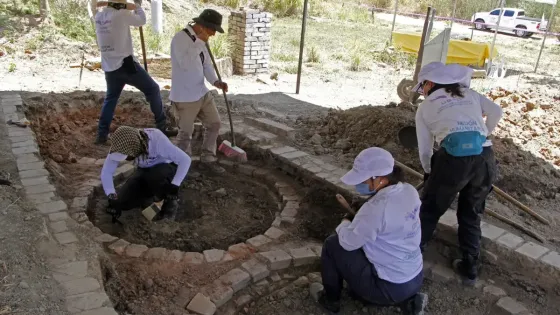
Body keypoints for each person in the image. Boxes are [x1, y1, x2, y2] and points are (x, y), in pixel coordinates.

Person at [414, 62, 502, 285]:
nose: (422, 91)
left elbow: (425, 149)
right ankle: (470, 266)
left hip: (453, 160)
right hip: (485, 157)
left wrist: (428, 172)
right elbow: (496, 111)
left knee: (430, 210)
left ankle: (413, 255)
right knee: (471, 213)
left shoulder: (425, 108)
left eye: (422, 86)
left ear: (430, 83)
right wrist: (483, 134)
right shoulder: (469, 94)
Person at [311, 147, 427, 315]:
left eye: (363, 180)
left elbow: (348, 242)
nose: (359, 184)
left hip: (387, 289)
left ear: (379, 179)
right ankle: (409, 303)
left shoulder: (376, 208)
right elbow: (385, 220)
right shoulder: (409, 190)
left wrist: (345, 221)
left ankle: (331, 301)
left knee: (333, 244)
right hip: (414, 278)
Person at [94, 0, 176, 144]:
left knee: (111, 99)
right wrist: (137, 5)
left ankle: (102, 134)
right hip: (126, 65)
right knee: (153, 89)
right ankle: (162, 127)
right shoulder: (121, 14)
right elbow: (141, 20)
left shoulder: (99, 17)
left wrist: (124, 6)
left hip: (110, 66)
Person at [169, 9, 229, 172]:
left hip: (201, 92)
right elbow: (184, 63)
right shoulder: (180, 38)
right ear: (202, 26)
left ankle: (208, 158)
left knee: (214, 123)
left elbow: (206, 65)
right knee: (186, 133)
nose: (214, 34)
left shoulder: (202, 41)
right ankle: (183, 165)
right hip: (185, 96)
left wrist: (215, 81)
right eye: (213, 30)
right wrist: (199, 42)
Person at [100, 126, 191, 221]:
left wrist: (175, 185)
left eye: (126, 156)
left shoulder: (157, 139)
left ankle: (169, 204)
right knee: (122, 202)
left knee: (156, 176)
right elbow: (106, 172)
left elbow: (185, 160)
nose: (126, 159)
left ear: (135, 148)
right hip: (144, 170)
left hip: (165, 168)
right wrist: (111, 195)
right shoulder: (119, 145)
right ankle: (148, 199)